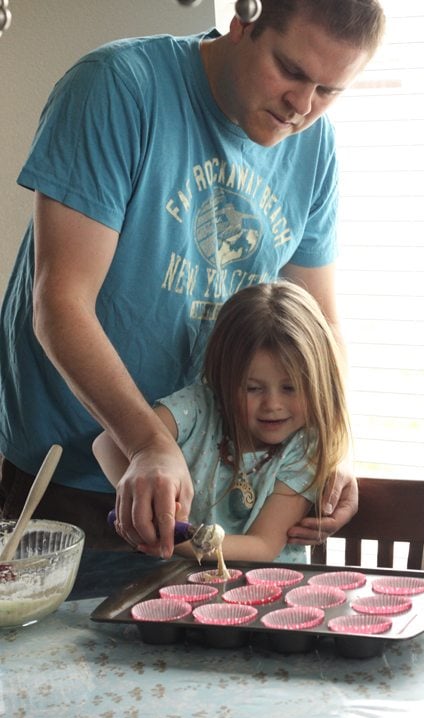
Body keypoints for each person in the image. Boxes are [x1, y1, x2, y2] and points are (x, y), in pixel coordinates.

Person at [0, 0, 385, 557]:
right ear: (242, 22)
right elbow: (59, 303)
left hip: (201, 492)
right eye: (292, 71)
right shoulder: (117, 89)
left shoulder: (314, 146)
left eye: (329, 91)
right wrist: (148, 444)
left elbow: (318, 322)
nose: (301, 106)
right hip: (66, 477)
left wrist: (333, 446)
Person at [93, 281, 350, 564]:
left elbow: (262, 545)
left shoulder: (305, 447)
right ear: (223, 379)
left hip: (266, 590)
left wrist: (173, 539)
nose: (273, 405)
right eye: (253, 388)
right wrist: (144, 507)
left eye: (290, 388)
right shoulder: (198, 408)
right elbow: (106, 445)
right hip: (178, 591)